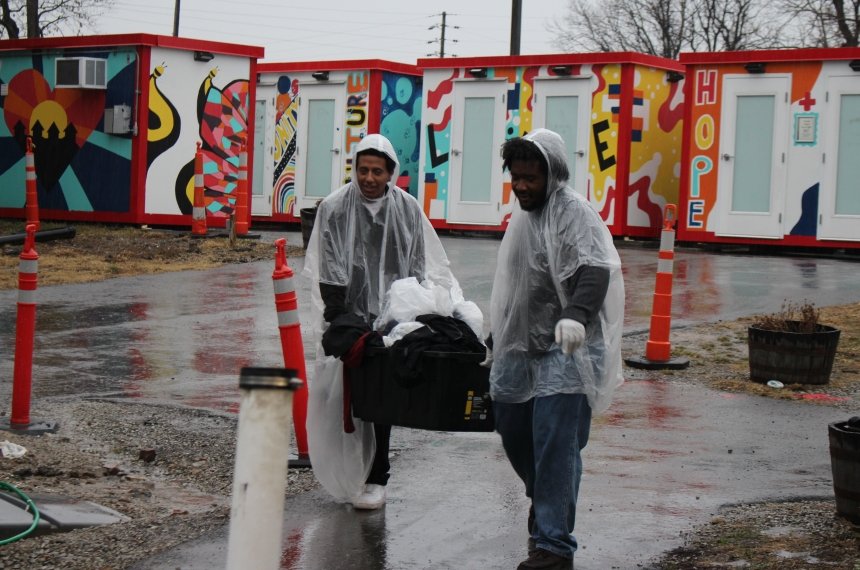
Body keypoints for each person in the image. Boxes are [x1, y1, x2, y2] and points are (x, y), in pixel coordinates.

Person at [484, 129, 625, 569]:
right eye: (516, 177)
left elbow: (595, 268)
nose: (522, 186)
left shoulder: (573, 213)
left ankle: (554, 545)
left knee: (555, 443)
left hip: (569, 347)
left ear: (553, 174)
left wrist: (577, 315)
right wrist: (495, 334)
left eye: (531, 178)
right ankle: (546, 499)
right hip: (522, 345)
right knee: (512, 427)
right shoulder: (523, 217)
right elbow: (513, 284)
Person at [303, 134, 457, 510]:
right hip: (349, 315)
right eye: (363, 169)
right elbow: (330, 266)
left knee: (381, 398)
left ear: (391, 173)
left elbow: (416, 262)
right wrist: (339, 318)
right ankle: (350, 469)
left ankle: (377, 474)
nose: (369, 178)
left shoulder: (406, 209)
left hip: (392, 313)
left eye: (377, 171)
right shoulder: (336, 207)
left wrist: (405, 314)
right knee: (345, 396)